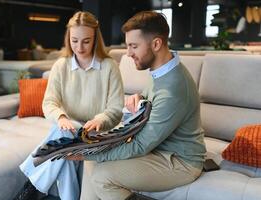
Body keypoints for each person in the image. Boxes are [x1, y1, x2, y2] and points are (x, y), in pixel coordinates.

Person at [73, 11, 207, 200]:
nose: (128, 54)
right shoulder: (161, 70)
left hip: (180, 163)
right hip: (159, 150)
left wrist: (89, 152)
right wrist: (139, 96)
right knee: (92, 161)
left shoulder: (174, 88)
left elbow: (140, 145)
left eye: (133, 46)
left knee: (102, 176)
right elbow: (153, 98)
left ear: (156, 44)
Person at [18, 11, 124, 200]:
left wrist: (100, 119)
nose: (80, 47)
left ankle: (30, 188)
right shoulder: (61, 65)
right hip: (67, 128)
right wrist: (61, 117)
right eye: (75, 40)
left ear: (95, 39)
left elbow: (115, 109)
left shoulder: (109, 66)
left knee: (63, 139)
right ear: (68, 38)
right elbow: (49, 103)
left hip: (96, 133)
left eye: (86, 41)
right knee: (65, 143)